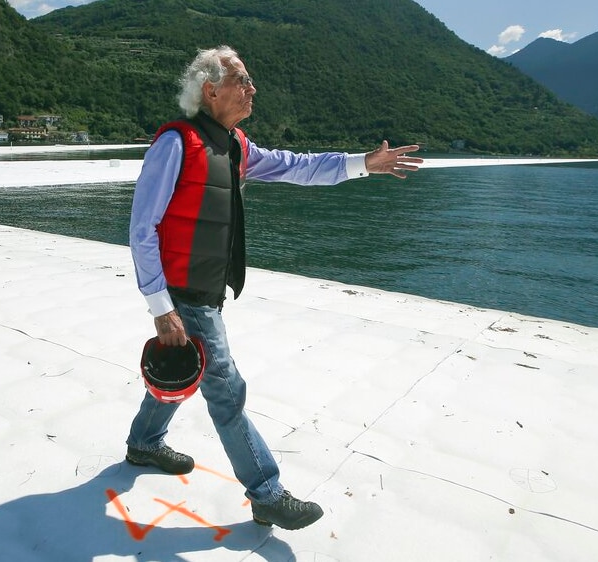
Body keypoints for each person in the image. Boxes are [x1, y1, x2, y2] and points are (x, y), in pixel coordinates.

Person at [126, 45, 422, 531]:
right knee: (227, 392)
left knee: (180, 365)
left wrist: (364, 164)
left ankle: (143, 444)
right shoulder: (175, 145)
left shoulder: (236, 145)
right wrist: (162, 308)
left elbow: (296, 166)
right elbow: (142, 228)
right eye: (242, 79)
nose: (251, 88)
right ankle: (266, 492)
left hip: (204, 290)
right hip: (184, 294)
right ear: (211, 89)